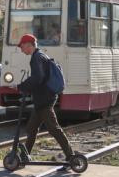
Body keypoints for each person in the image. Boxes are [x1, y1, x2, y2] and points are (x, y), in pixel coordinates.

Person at [16, 33, 75, 161]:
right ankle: (25, 156)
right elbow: (39, 78)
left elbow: (38, 78)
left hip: (45, 99)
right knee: (31, 128)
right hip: (41, 99)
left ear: (28, 45)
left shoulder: (37, 57)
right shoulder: (40, 55)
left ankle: (71, 156)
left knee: (54, 129)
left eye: (22, 47)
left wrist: (22, 86)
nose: (21, 49)